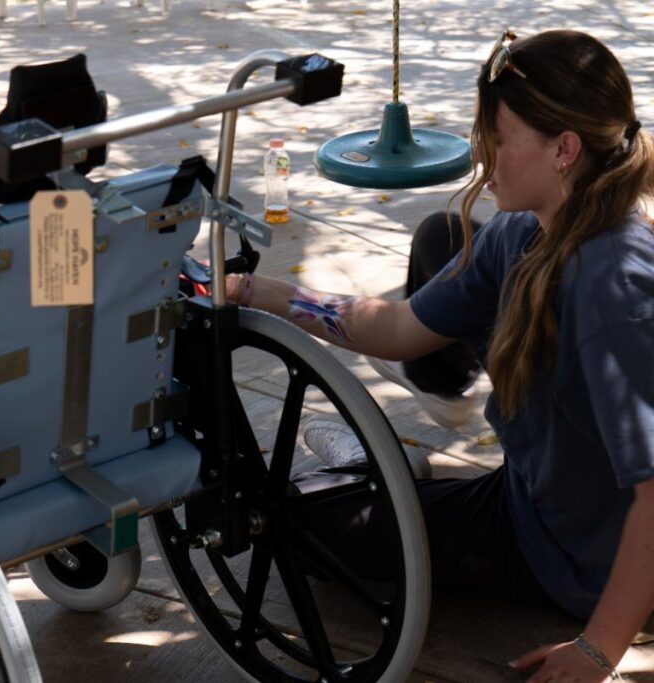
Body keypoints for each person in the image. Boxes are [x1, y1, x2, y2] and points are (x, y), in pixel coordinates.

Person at [230, 29, 654, 682]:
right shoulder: (523, 232)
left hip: (576, 558)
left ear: (564, 150)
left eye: (501, 140)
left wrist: (598, 647)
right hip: (535, 493)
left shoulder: (614, 288)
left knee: (292, 520)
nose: (485, 158)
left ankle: (386, 467)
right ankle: (393, 467)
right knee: (442, 236)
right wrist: (270, 294)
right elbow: (398, 327)